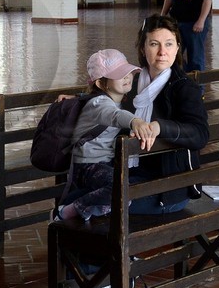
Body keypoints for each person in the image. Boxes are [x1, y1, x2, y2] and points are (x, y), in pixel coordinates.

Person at [56, 49, 152, 228]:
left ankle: (97, 228)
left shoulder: (112, 97)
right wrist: (135, 122)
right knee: (121, 189)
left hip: (103, 163)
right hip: (87, 166)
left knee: (123, 196)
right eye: (119, 74)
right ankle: (70, 210)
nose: (127, 77)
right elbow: (113, 115)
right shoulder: (98, 104)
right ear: (101, 83)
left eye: (128, 72)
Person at [126, 15, 209, 215]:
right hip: (130, 173)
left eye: (169, 44)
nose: (163, 52)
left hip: (169, 188)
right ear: (142, 48)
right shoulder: (131, 82)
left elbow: (200, 134)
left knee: (94, 206)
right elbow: (105, 98)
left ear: (178, 47)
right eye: (154, 44)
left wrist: (160, 127)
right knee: (77, 198)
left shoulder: (184, 88)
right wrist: (80, 99)